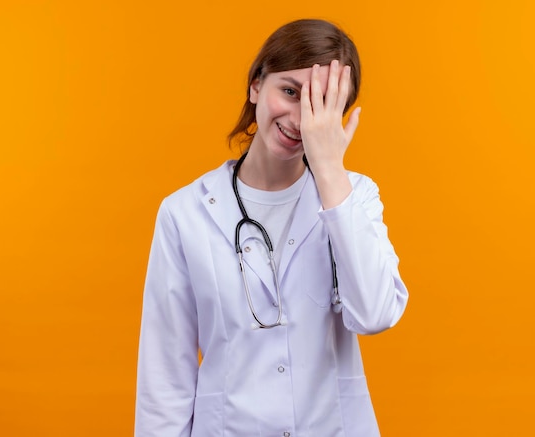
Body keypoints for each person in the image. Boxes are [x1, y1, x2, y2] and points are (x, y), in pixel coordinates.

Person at [135, 18, 408, 437]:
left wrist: (331, 170)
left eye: (322, 105)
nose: (302, 119)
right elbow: (164, 375)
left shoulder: (355, 197)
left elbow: (373, 314)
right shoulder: (184, 213)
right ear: (255, 85)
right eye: (290, 92)